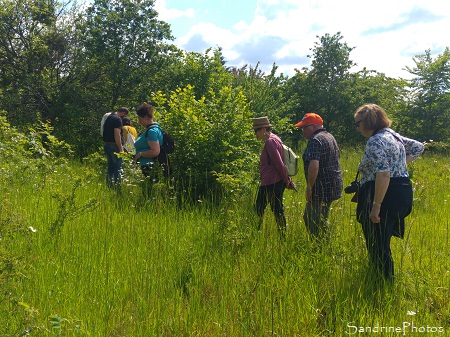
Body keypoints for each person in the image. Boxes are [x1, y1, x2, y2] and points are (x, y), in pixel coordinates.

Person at [353, 103, 424, 281]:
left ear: (367, 122)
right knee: (382, 239)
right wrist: (400, 165)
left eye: (357, 123)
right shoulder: (393, 135)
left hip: (384, 192)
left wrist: (376, 206)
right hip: (402, 190)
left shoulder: (375, 141)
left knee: (377, 242)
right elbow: (418, 147)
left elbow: (383, 175)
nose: (357, 128)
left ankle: (384, 282)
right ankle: (380, 277)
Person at [294, 112, 343, 241]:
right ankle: (324, 244)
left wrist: (309, 187)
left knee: (312, 218)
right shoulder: (329, 136)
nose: (303, 131)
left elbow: (314, 165)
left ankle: (320, 246)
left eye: (304, 127)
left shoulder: (315, 140)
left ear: (314, 126)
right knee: (320, 217)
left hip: (321, 187)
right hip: (333, 184)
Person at [253, 116, 296, 239]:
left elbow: (279, 162)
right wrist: (286, 179)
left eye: (256, 130)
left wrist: (287, 179)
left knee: (259, 209)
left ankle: (256, 235)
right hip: (275, 181)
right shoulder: (276, 138)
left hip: (271, 182)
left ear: (262, 129)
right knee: (276, 209)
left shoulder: (270, 141)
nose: (255, 134)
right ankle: (282, 236)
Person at [134, 103, 163, 196]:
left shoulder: (152, 131)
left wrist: (140, 154)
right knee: (148, 191)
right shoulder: (153, 129)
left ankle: (150, 208)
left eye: (140, 119)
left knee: (148, 192)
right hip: (148, 165)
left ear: (146, 117)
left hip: (149, 166)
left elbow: (155, 151)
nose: (139, 122)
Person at [102, 107, 129, 187]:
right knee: (117, 168)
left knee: (110, 167)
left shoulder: (109, 117)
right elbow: (117, 134)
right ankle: (117, 188)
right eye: (125, 115)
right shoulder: (118, 119)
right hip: (114, 146)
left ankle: (109, 186)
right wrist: (121, 149)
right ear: (123, 113)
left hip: (107, 144)